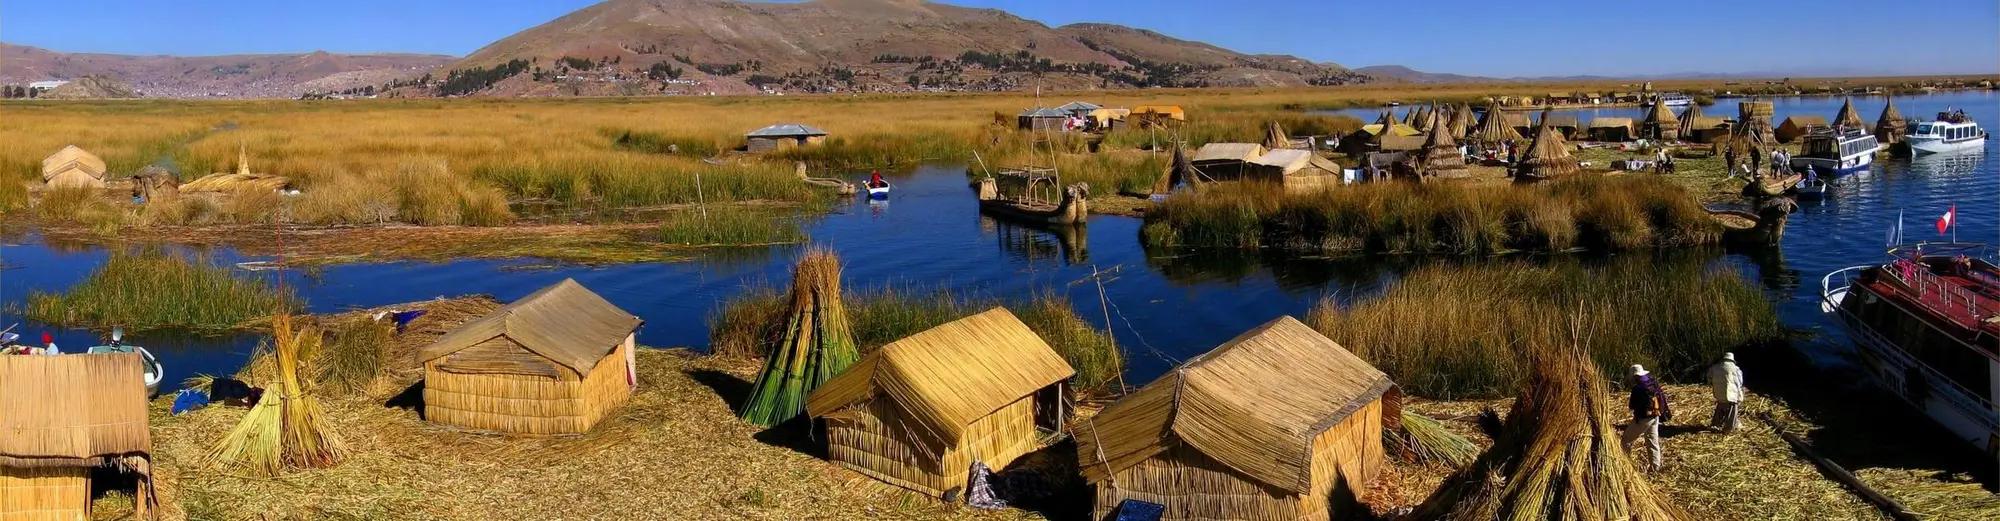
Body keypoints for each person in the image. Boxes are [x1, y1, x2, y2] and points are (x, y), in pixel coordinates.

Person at [1623, 364, 1670, 471]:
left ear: (1635, 376)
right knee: (1652, 440)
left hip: (1644, 419)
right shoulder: (1652, 382)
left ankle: (1625, 465)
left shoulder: (1638, 388)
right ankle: (1655, 467)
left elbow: (1632, 406)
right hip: (1655, 416)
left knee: (1626, 441)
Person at [1707, 353, 1744, 433]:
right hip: (1731, 395)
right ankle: (1728, 429)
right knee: (1732, 411)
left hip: (1719, 394)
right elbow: (1740, 382)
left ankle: (1715, 424)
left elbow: (1709, 376)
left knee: (1720, 408)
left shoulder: (1715, 367)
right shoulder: (1736, 369)